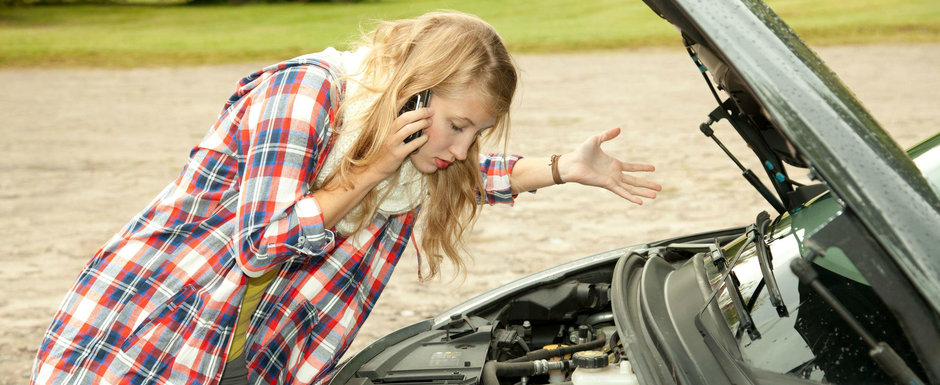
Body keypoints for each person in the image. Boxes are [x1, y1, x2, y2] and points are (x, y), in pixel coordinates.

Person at [31, 10, 661, 385]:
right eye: (459, 125)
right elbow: (257, 245)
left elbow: (466, 177)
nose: (463, 148)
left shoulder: (411, 158)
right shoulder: (310, 95)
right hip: (156, 329)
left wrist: (562, 167)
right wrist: (370, 167)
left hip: (252, 348)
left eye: (477, 132)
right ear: (415, 94)